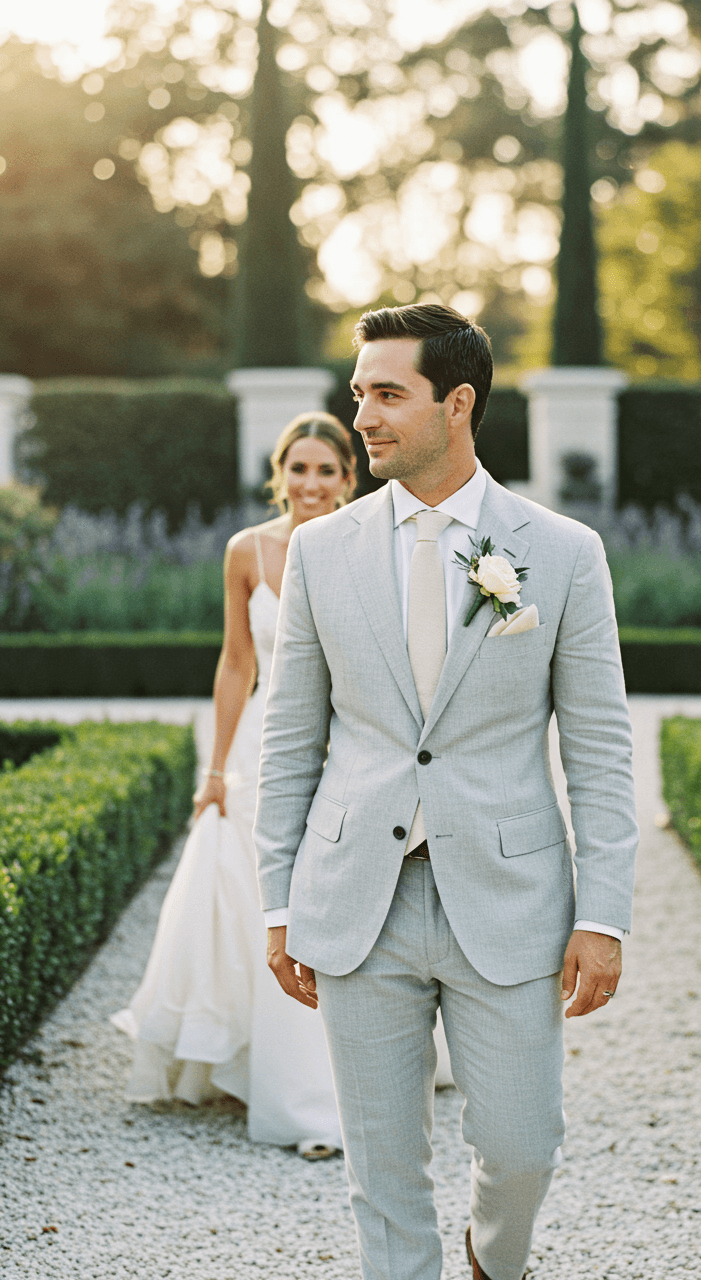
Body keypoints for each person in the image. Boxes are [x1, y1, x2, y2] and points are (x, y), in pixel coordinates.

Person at [254, 304, 639, 1279]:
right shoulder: (321, 551)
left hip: (507, 898)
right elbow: (290, 738)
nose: (363, 416)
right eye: (357, 394)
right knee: (381, 1166)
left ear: (456, 402)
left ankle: (489, 1257)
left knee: (520, 1151)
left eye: (388, 393)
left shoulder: (561, 552)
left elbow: (598, 750)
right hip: (357, 896)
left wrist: (604, 913)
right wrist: (276, 898)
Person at [111, 412, 354, 1157]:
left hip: (345, 750)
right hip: (262, 749)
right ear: (278, 475)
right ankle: (258, 1064)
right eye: (298, 469)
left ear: (350, 477)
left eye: (326, 470)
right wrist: (214, 770)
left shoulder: (367, 545)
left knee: (333, 904)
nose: (310, 484)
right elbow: (235, 663)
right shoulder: (246, 551)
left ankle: (329, 1086)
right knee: (260, 905)